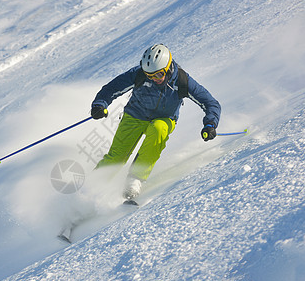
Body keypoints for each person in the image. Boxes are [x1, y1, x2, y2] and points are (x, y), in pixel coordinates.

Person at [91, 44, 221, 202]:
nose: (154, 79)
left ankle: (135, 179)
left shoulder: (182, 81)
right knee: (117, 157)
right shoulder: (138, 75)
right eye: (149, 75)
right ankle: (90, 189)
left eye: (158, 74)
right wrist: (100, 105)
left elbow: (211, 103)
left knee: (158, 129)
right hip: (135, 115)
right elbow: (111, 88)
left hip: (165, 119)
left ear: (167, 68)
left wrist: (210, 124)